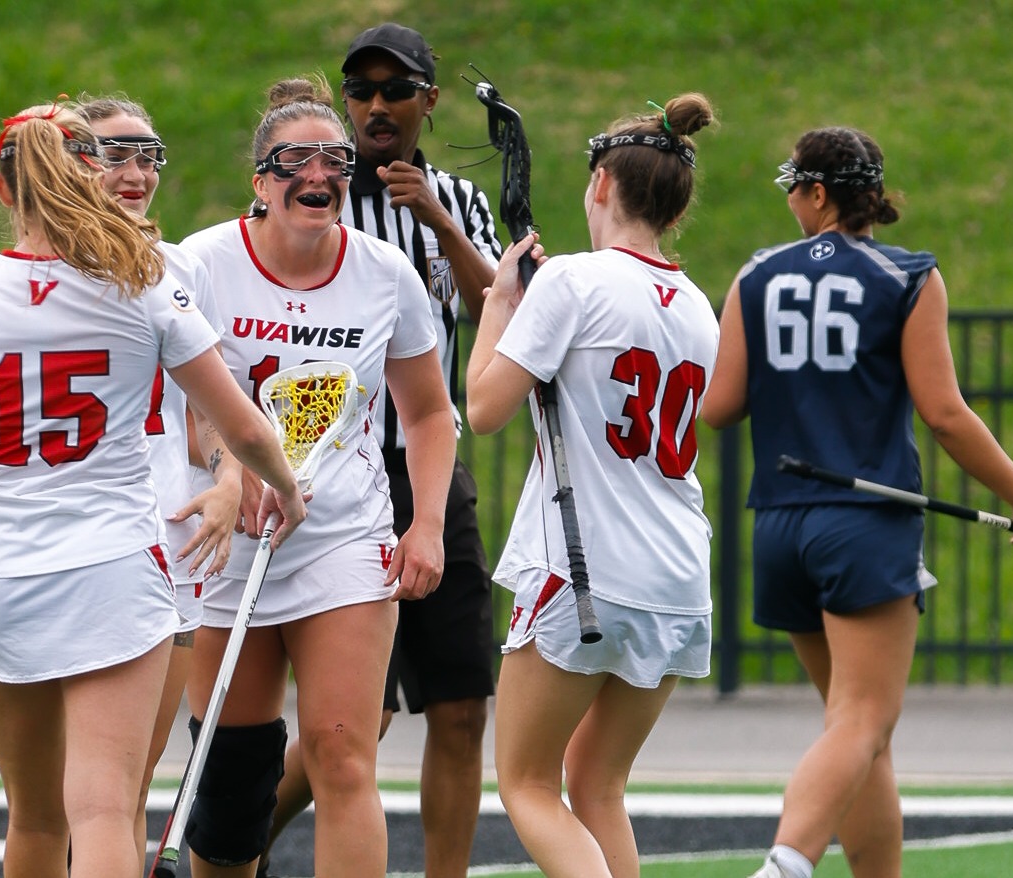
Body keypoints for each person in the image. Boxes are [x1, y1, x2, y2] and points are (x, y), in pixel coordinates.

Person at [0, 100, 306, 878]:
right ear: (88, 176)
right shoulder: (143, 283)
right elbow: (242, 424)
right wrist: (286, 492)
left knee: (33, 820)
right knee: (103, 807)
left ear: (2, 192)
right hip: (111, 572)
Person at [702, 126, 1013, 878]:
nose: (790, 203)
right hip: (862, 525)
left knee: (856, 731)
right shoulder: (906, 275)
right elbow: (944, 414)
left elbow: (719, 407)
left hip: (780, 526)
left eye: (792, 188)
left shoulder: (754, 275)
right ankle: (785, 865)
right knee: (861, 720)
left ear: (816, 192)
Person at [177, 74, 457, 878]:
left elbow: (431, 415)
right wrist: (234, 467)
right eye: (295, 160)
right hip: (227, 545)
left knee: (342, 758)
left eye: (333, 160)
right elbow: (179, 406)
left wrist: (425, 523)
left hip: (341, 538)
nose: (319, 175)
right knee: (231, 788)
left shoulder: (384, 274)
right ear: (260, 180)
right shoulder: (199, 265)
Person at [260, 24, 502, 878]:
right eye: (358, 90)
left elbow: (500, 314)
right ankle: (237, 836)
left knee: (463, 700)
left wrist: (437, 219)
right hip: (331, 478)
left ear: (427, 101)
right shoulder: (306, 194)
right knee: (356, 723)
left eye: (393, 89)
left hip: (428, 468)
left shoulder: (455, 203)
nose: (373, 106)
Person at [466, 94, 719, 877]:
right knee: (597, 786)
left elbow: (481, 408)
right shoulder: (697, 306)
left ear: (602, 183)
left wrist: (499, 305)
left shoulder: (572, 281)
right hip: (676, 574)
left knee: (529, 785)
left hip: (584, 571)